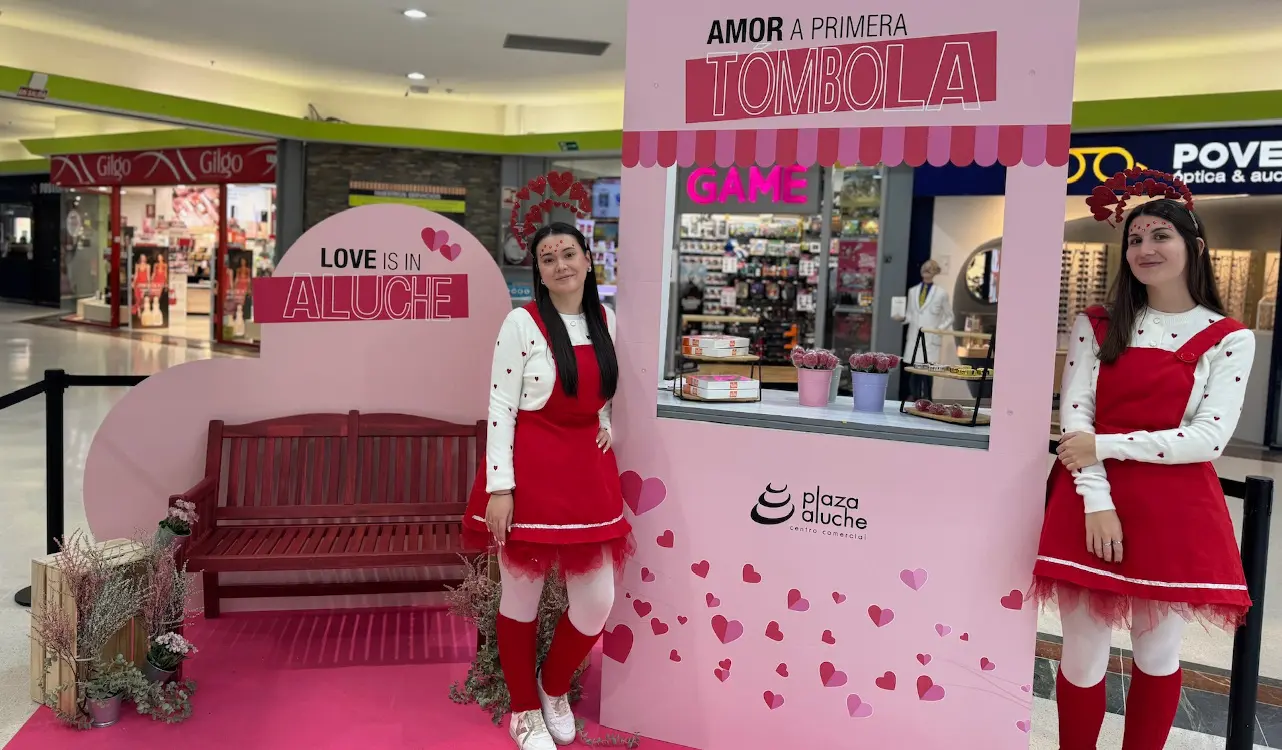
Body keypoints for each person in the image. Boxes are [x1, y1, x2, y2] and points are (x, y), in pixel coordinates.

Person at [1031, 179, 1255, 750]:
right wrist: (1098, 500)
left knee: (1158, 654)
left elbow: (1208, 438)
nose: (1145, 248)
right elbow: (1075, 416)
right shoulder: (1098, 323)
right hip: (1088, 501)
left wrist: (1106, 447)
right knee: (1081, 655)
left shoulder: (1229, 338)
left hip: (1174, 508)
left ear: (1195, 247)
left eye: (1161, 235)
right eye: (1135, 238)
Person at [461, 221, 634, 750]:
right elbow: (500, 407)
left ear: (587, 259)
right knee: (521, 597)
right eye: (547, 258)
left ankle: (553, 686)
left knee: (597, 601)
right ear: (538, 271)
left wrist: (608, 421)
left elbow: (608, 389)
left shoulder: (608, 318)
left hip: (588, 476)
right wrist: (500, 487)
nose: (560, 265)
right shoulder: (522, 322)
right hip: (530, 474)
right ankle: (524, 709)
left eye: (568, 253)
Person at [895, 259, 953, 400]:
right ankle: (914, 401)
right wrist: (901, 318)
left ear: (935, 272)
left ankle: (927, 402)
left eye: (930, 268)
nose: (926, 270)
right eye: (924, 268)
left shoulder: (941, 293)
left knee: (927, 375)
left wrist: (938, 329)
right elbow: (910, 314)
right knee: (914, 373)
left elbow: (949, 317)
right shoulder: (913, 291)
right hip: (915, 336)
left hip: (930, 339)